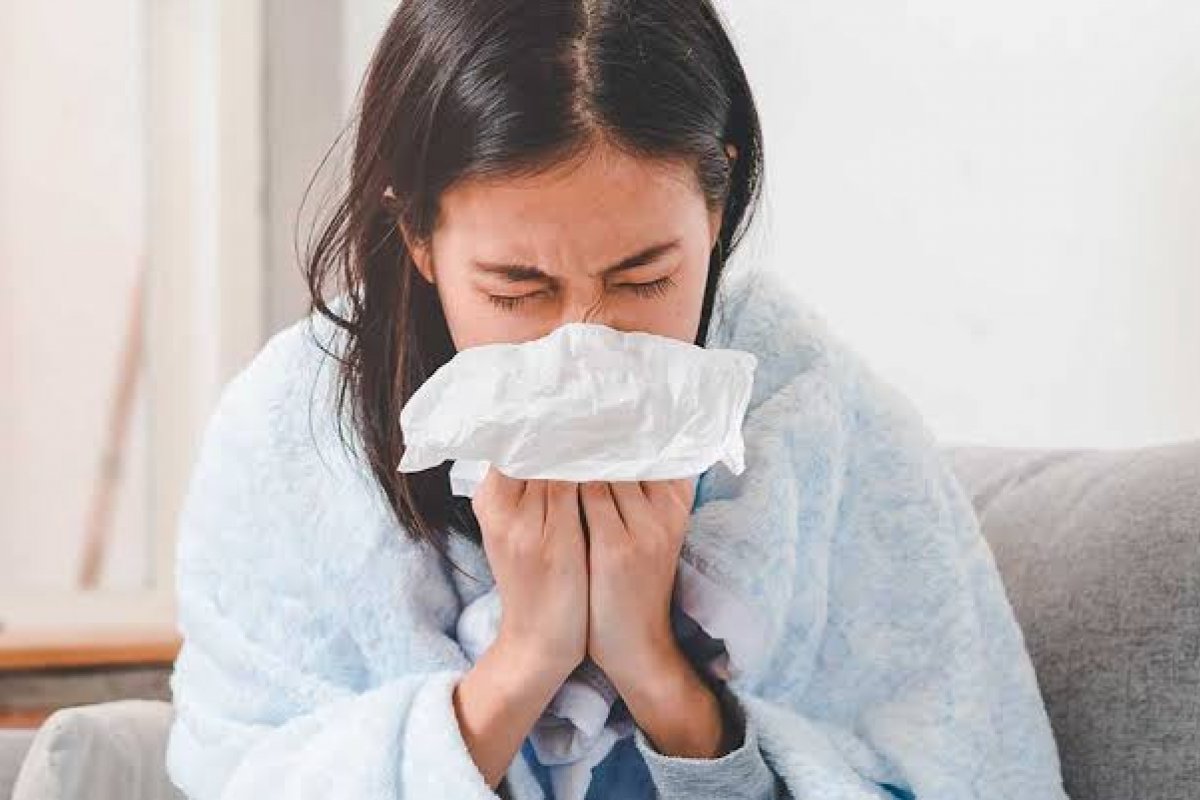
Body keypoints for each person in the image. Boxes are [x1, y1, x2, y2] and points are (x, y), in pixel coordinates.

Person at [164, 2, 1068, 799]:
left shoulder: (821, 419)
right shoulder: (290, 437)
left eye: (645, 278)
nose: (583, 349)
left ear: (715, 209)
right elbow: (240, 771)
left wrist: (658, 672)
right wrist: (524, 662)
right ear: (419, 235)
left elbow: (971, 765)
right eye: (518, 290)